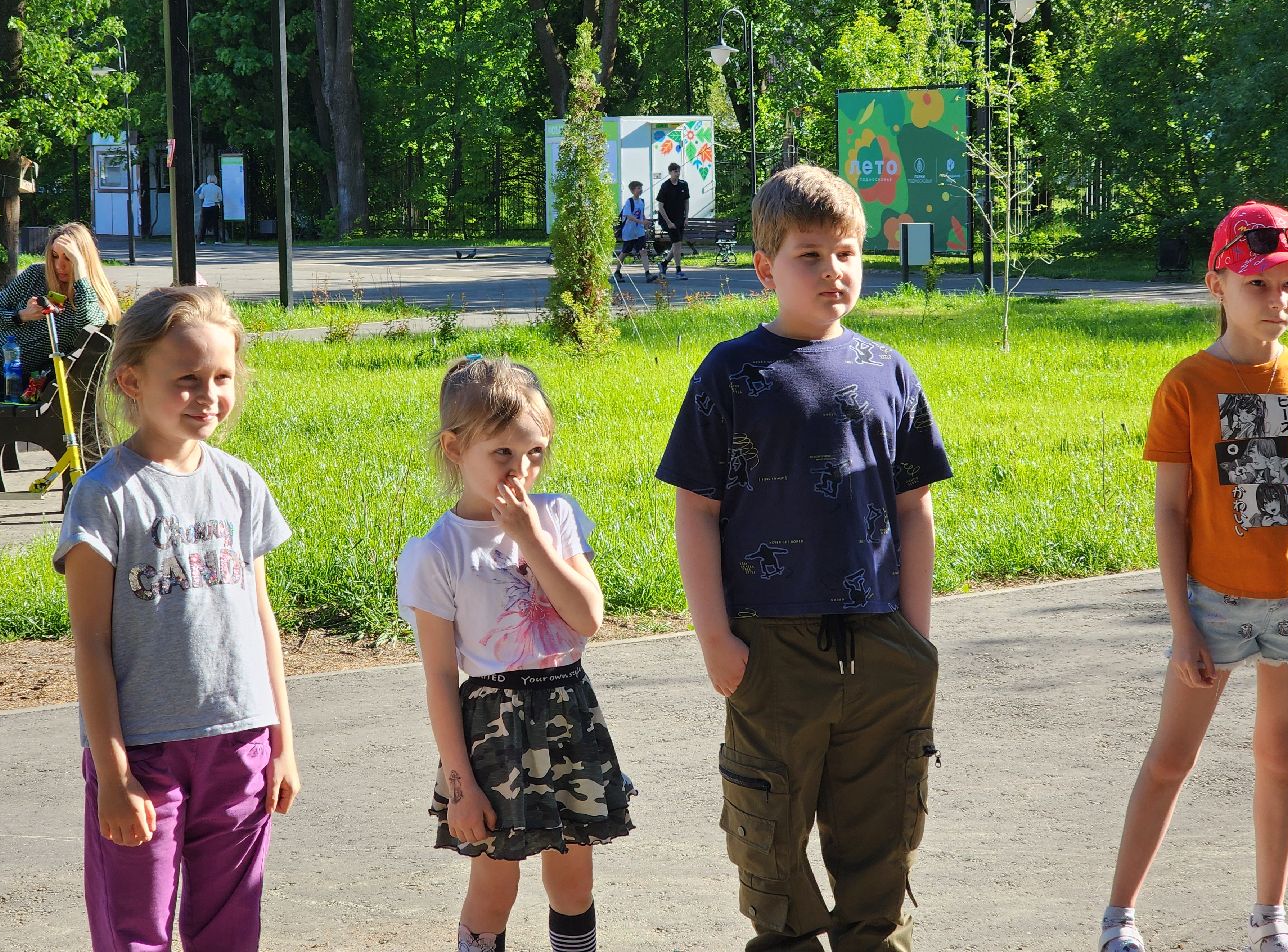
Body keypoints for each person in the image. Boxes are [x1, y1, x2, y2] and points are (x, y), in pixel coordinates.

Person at [657, 164, 952, 952]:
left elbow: (914, 509)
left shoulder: (890, 372)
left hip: (881, 644)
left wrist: (914, 638)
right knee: (770, 840)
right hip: (770, 648)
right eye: (809, 256)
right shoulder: (732, 372)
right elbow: (696, 511)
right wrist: (714, 637)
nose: (833, 271)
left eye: (846, 253)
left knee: (883, 839)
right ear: (766, 268)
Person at [1098, 201, 1288, 952]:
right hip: (1212, 607)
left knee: (1280, 758)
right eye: (1258, 285)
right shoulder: (1187, 385)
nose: (1278, 301)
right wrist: (1182, 625)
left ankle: (1271, 920)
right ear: (1217, 285)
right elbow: (1170, 512)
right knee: (1170, 760)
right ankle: (1119, 920)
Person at [54, 285, 300, 952]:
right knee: (135, 931)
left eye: (221, 377)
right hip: (144, 755)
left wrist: (282, 742)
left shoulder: (241, 485)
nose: (208, 395)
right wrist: (114, 775)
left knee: (231, 928)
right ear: (132, 381)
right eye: (186, 379)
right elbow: (91, 644)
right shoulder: (103, 496)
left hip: (240, 744)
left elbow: (261, 617)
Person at [397, 354, 635, 952]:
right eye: (502, 452)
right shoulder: (437, 552)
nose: (521, 470)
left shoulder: (555, 517)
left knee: (573, 884)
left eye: (535, 453)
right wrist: (460, 786)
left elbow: (588, 617)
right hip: (493, 727)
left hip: (569, 710)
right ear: (455, 449)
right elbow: (440, 678)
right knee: (494, 885)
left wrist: (531, 537)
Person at [0, 222, 122, 480]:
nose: (60, 266)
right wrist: (21, 315)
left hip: (14, 372)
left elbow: (89, 321)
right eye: (54, 256)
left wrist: (80, 273)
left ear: (83, 259)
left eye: (68, 258)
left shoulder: (91, 299)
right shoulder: (35, 276)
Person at [655, 162, 690, 279]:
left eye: (678, 171)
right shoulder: (665, 186)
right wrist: (668, 222)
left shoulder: (683, 185)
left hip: (680, 219)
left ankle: (663, 264)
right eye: (675, 171)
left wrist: (686, 217)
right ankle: (678, 271)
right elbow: (660, 206)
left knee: (677, 243)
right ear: (670, 172)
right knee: (677, 243)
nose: (677, 173)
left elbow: (686, 201)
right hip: (668, 220)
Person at [614, 180, 653, 283]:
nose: (640, 190)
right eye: (638, 188)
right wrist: (641, 222)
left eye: (641, 188)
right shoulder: (629, 202)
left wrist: (645, 222)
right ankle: (617, 272)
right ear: (632, 190)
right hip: (629, 232)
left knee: (643, 251)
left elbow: (641, 214)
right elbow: (629, 216)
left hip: (639, 232)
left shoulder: (642, 201)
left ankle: (648, 274)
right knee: (625, 252)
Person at [195, 174, 224, 243]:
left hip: (205, 207)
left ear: (208, 180)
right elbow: (220, 198)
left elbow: (201, 197)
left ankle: (202, 240)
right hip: (214, 207)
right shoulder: (218, 188)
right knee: (215, 223)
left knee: (204, 224)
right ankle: (216, 240)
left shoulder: (204, 187)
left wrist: (201, 187)